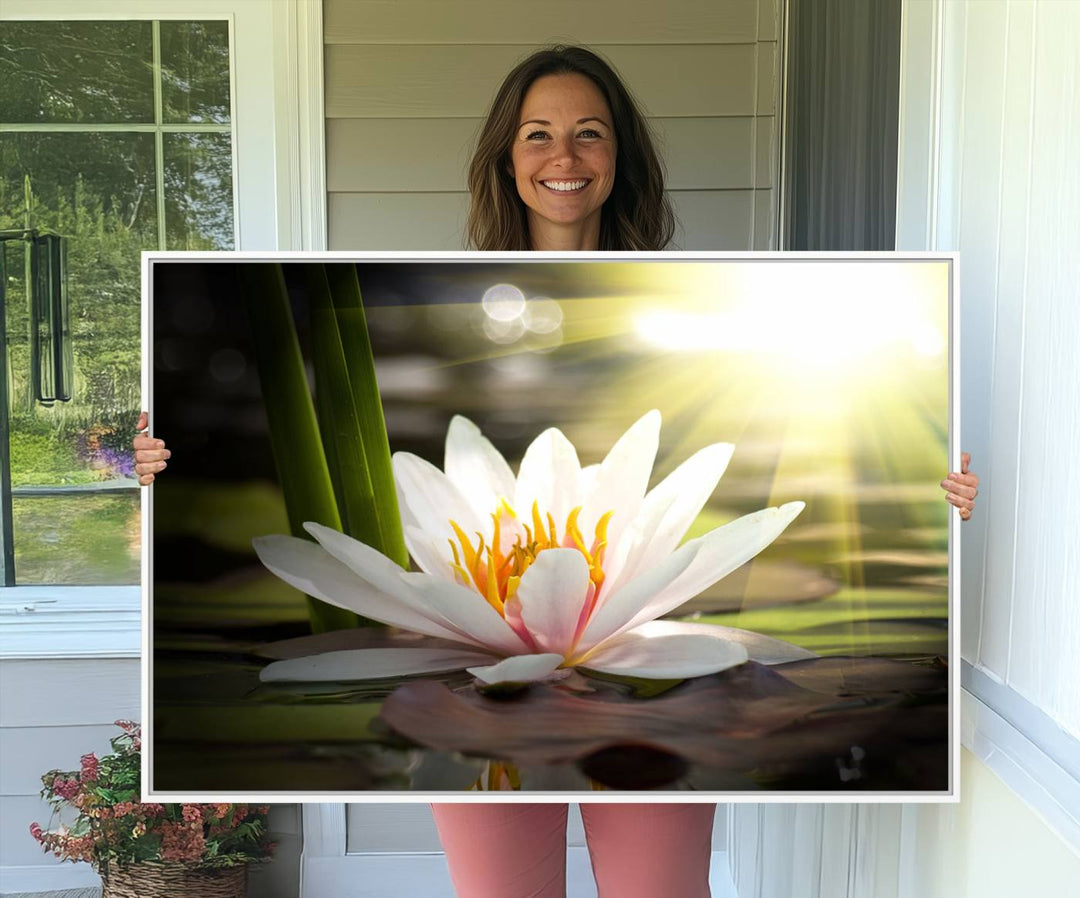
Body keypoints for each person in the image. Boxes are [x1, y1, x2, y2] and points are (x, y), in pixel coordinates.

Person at [134, 44, 978, 898]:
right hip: (467, 682)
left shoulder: (703, 300)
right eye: (537, 135)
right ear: (507, 158)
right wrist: (155, 466)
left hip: (642, 678)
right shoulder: (457, 292)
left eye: (589, 134)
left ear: (620, 159)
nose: (563, 157)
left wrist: (944, 497)